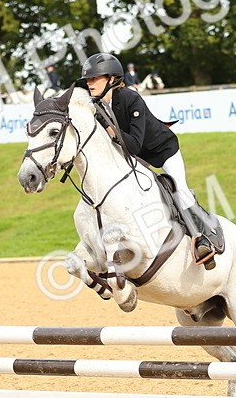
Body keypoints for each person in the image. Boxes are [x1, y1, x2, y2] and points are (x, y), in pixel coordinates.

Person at [78, 52, 219, 266]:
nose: (89, 83)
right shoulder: (96, 105)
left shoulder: (130, 98)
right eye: (88, 80)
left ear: (112, 79)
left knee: (179, 189)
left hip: (163, 150)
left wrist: (108, 127)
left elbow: (133, 143)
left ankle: (202, 238)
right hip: (136, 158)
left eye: (94, 78)